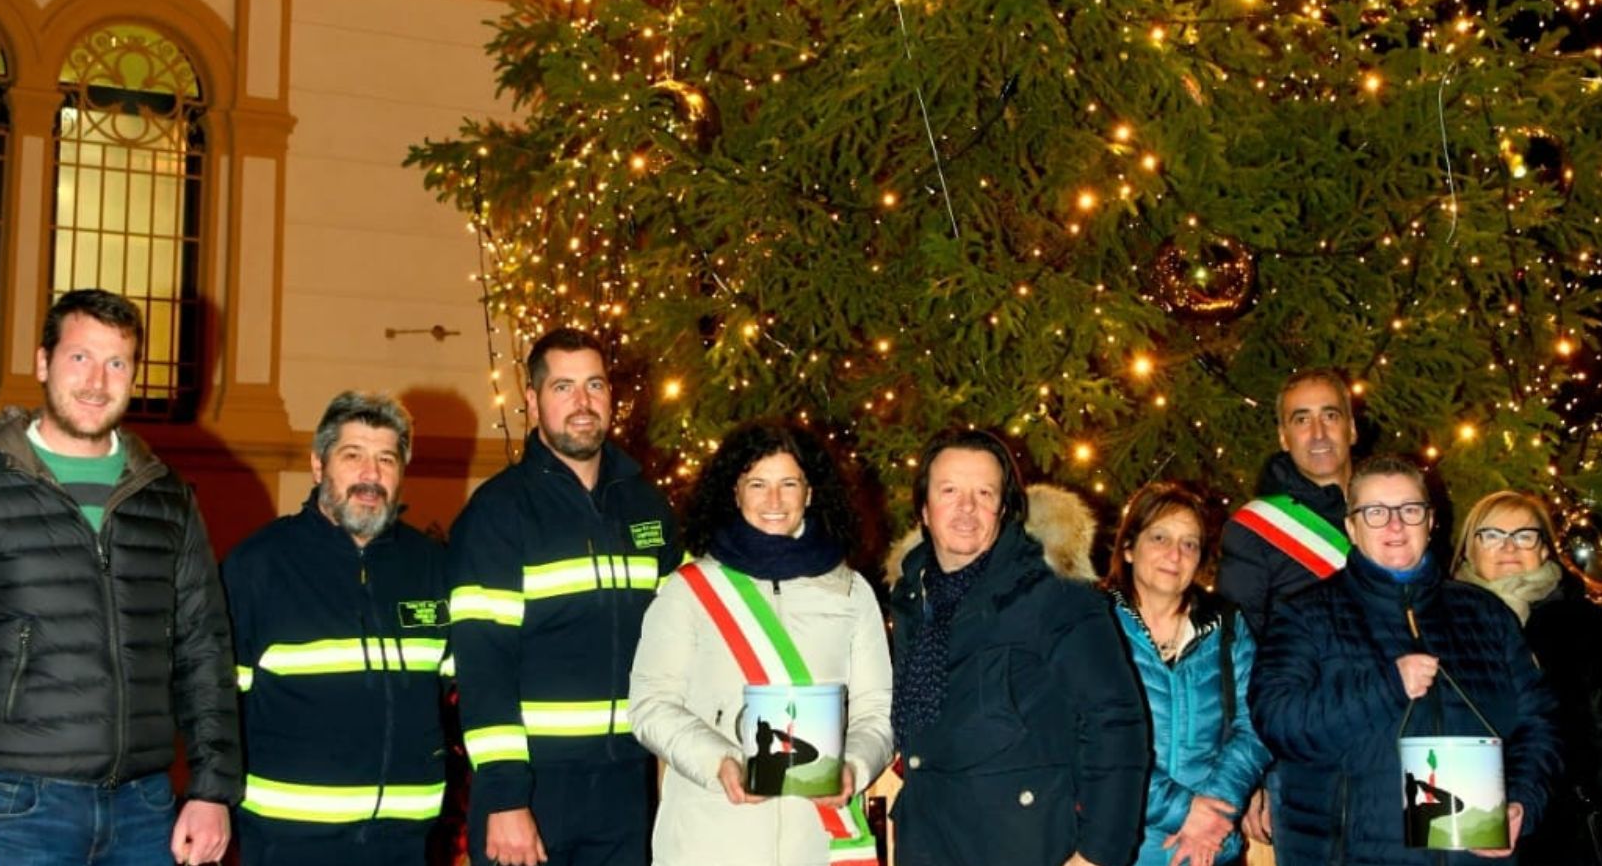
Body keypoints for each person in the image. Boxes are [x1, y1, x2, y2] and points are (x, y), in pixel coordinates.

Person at [0, 288, 239, 866]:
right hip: (10, 809)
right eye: (80, 357)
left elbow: (205, 650)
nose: (98, 381)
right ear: (43, 362)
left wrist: (212, 789)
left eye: (116, 362)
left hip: (146, 811)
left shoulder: (166, 497)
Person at [1249, 454, 1560, 865]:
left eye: (1410, 510)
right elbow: (1279, 723)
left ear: (1431, 522)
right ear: (1351, 527)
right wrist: (1386, 688)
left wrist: (1520, 801)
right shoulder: (1305, 614)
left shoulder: (1486, 615)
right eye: (1376, 512)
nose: (1395, 525)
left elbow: (1540, 726)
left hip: (1473, 855)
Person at [449, 328, 681, 866]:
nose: (583, 403)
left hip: (627, 787)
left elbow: (679, 642)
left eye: (595, 385)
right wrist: (506, 796)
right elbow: (483, 666)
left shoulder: (647, 507)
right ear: (531, 401)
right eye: (563, 387)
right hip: (532, 789)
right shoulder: (498, 513)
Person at [628, 421, 891, 866]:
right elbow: (649, 705)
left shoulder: (851, 591)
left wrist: (854, 768)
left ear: (809, 493)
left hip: (816, 843)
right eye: (758, 484)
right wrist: (718, 762)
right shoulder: (689, 590)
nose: (774, 500)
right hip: (707, 839)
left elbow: (877, 711)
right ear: (736, 492)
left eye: (789, 483)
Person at [888, 429, 1147, 866]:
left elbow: (1116, 722)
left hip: (1023, 845)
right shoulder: (911, 597)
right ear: (925, 510)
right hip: (926, 844)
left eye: (984, 492)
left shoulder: (1054, 595)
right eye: (949, 490)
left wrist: (1098, 854)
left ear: (1004, 509)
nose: (966, 507)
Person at [223, 391, 450, 865]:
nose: (371, 475)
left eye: (387, 459)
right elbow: (216, 706)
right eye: (353, 456)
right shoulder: (258, 566)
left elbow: (468, 688)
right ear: (318, 465)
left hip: (405, 843)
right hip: (290, 843)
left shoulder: (431, 567)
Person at [1452, 489, 1602, 865]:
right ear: (1469, 548)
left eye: (1524, 535)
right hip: (1468, 836)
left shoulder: (1586, 626)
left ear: (1544, 549)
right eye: (1491, 535)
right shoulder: (1445, 626)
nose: (1509, 547)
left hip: (1572, 841)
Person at [1217, 368, 1358, 846]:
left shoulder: (1390, 511)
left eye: (1330, 415)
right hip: (1303, 759)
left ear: (1352, 427)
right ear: (1283, 435)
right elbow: (1236, 659)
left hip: (1390, 742)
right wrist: (1251, 774)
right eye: (1301, 419)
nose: (1318, 433)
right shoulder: (1256, 528)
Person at [1104, 483, 1269, 866]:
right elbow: (1082, 739)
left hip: (1210, 852)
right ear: (1129, 547)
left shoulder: (1228, 627)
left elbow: (1256, 724)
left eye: (1189, 544)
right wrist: (1184, 812)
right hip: (1118, 848)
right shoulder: (1092, 623)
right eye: (1159, 537)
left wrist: (1216, 813)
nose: (1174, 555)